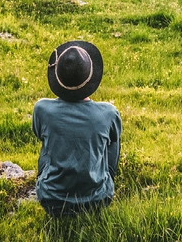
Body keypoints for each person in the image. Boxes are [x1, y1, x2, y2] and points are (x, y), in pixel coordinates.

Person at [32, 40, 122, 217]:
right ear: (91, 75)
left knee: (47, 145)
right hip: (98, 200)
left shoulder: (42, 109)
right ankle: (102, 180)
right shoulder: (109, 113)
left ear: (58, 77)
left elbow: (39, 135)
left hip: (52, 200)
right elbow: (112, 144)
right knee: (113, 140)